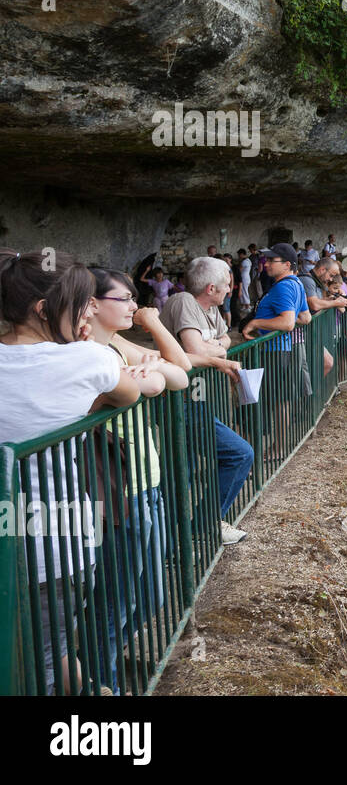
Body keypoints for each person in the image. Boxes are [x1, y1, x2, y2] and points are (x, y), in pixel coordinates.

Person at [0, 250, 150, 694]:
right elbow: (129, 394)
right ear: (45, 309)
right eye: (83, 303)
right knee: (46, 658)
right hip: (57, 547)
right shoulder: (89, 360)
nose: (89, 313)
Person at [86, 267, 190, 694]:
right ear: (92, 304)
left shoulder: (114, 343)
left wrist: (151, 354)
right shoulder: (85, 351)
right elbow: (145, 387)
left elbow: (181, 371)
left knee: (150, 598)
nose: (134, 305)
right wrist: (147, 371)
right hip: (119, 493)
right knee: (116, 602)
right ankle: (100, 681)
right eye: (124, 299)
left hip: (148, 482)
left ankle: (97, 669)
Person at [160, 257, 254, 545]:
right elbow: (195, 349)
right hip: (179, 401)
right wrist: (213, 351)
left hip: (195, 400)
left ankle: (178, 541)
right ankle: (202, 526)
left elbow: (226, 340)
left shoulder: (211, 309)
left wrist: (212, 349)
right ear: (211, 287)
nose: (230, 290)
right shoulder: (183, 301)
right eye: (227, 285)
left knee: (181, 474)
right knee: (239, 454)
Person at [242, 243, 311, 461]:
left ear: (287, 264)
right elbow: (305, 318)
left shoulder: (283, 287)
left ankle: (277, 449)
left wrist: (255, 323)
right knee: (281, 400)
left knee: (271, 402)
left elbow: (288, 323)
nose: (267, 264)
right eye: (267, 260)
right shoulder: (295, 284)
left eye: (272, 261)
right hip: (282, 350)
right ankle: (279, 446)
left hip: (274, 352)